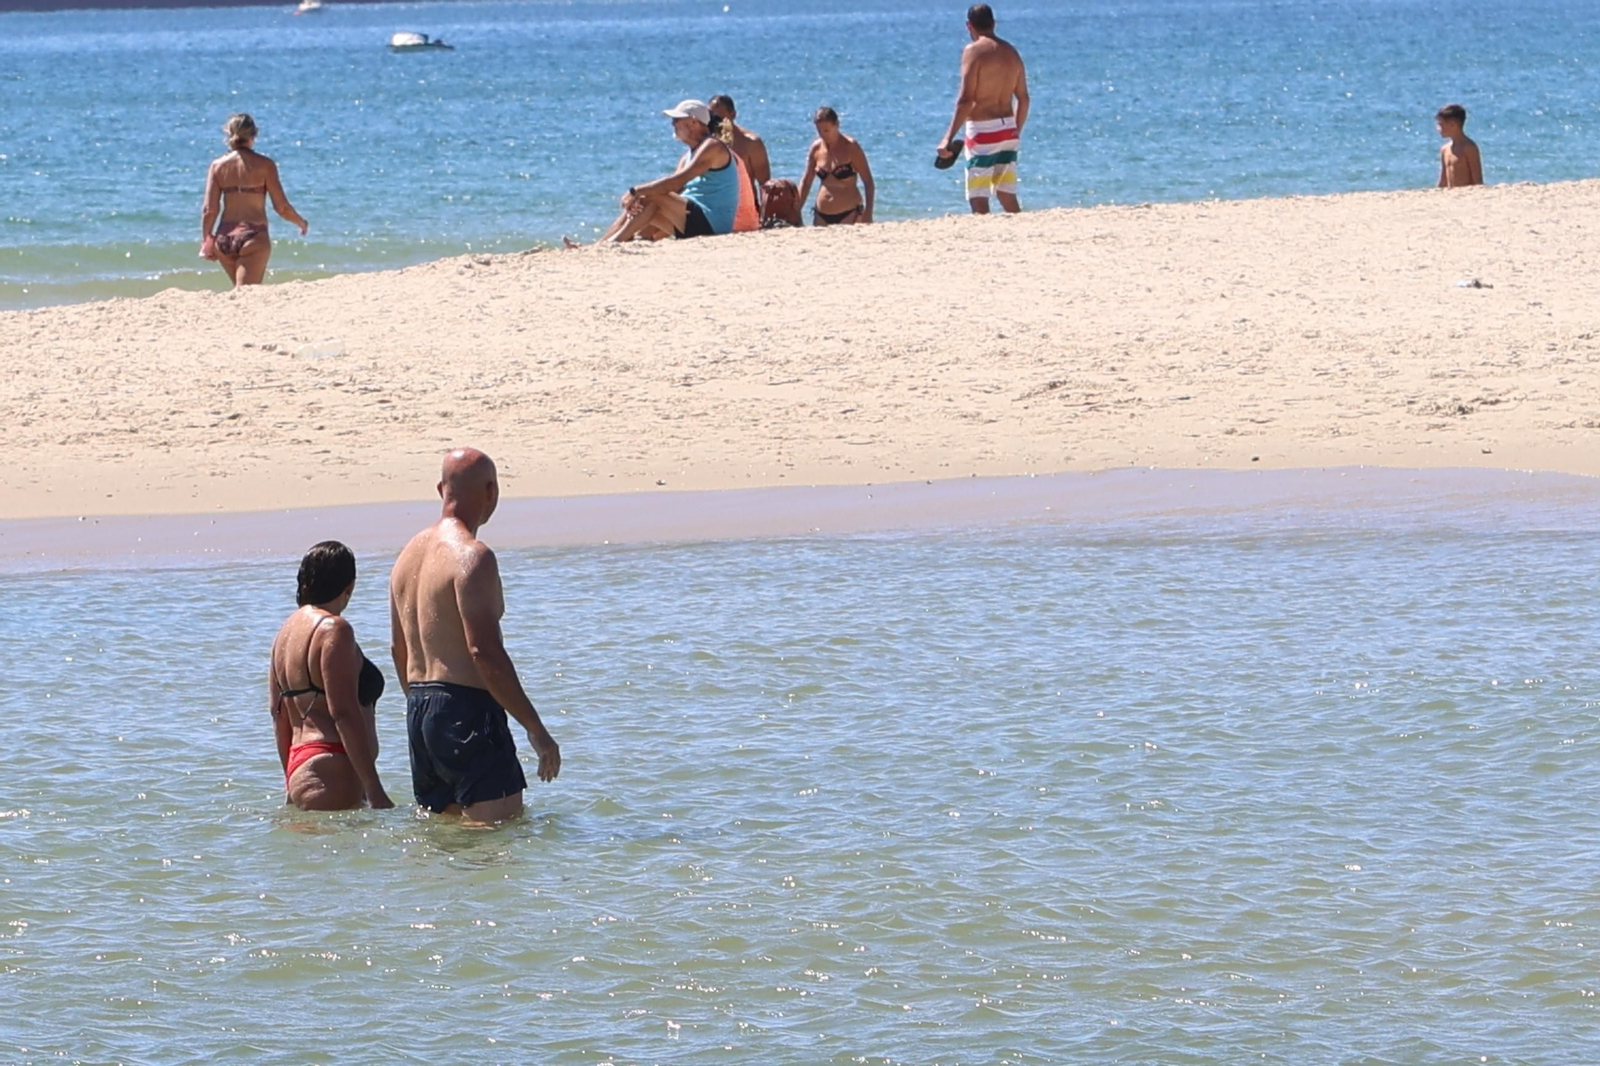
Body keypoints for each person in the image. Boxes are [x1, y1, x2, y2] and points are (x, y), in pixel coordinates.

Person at [389, 448, 561, 823]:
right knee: (497, 841)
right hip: (465, 709)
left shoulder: (406, 557)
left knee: (448, 846)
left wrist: (430, 719)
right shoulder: (473, 556)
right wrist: (536, 729)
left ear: (441, 490)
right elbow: (483, 651)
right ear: (491, 492)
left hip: (418, 710)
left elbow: (397, 649)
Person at [269, 541, 394, 811]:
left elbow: (278, 715)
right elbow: (343, 713)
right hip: (333, 766)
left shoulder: (284, 635)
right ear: (348, 586)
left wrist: (290, 780)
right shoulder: (334, 630)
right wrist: (375, 790)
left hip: (300, 765)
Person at [592, 100, 740, 244]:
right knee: (641, 201)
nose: (673, 124)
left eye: (677, 120)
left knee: (651, 195)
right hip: (692, 218)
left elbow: (676, 182)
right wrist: (637, 196)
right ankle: (602, 244)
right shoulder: (688, 155)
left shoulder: (712, 146)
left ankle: (615, 242)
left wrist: (635, 191)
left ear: (694, 122)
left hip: (712, 223)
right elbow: (676, 188)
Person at [935, 4, 1029, 214]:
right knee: (1007, 194)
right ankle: (1022, 236)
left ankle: (985, 243)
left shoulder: (974, 51)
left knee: (978, 198)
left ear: (969, 26)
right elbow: (1024, 99)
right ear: (994, 24)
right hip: (1008, 130)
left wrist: (947, 138)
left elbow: (966, 99)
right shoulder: (1011, 52)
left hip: (983, 131)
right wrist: (1016, 130)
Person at [200, 113, 309, 286]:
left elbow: (209, 210)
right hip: (253, 236)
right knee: (246, 295)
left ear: (229, 134)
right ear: (254, 135)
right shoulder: (265, 165)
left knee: (240, 292)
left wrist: (206, 240)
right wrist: (301, 222)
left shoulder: (217, 166)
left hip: (224, 238)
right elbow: (281, 207)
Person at [797, 107, 875, 227]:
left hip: (849, 213)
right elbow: (806, 182)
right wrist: (796, 211)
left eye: (826, 130)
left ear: (837, 125)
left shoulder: (851, 147)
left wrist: (868, 213)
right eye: (819, 131)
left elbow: (868, 181)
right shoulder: (816, 148)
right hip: (821, 214)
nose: (823, 135)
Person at [709, 94, 772, 184]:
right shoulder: (706, 143)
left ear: (733, 114)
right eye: (711, 118)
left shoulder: (751, 143)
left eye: (718, 118)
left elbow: (765, 183)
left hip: (745, 196)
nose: (715, 122)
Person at [1436, 103, 1483, 188]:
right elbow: (1443, 180)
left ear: (1452, 125)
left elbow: (1478, 180)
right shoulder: (1444, 149)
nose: (1438, 128)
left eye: (1441, 124)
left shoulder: (1469, 147)